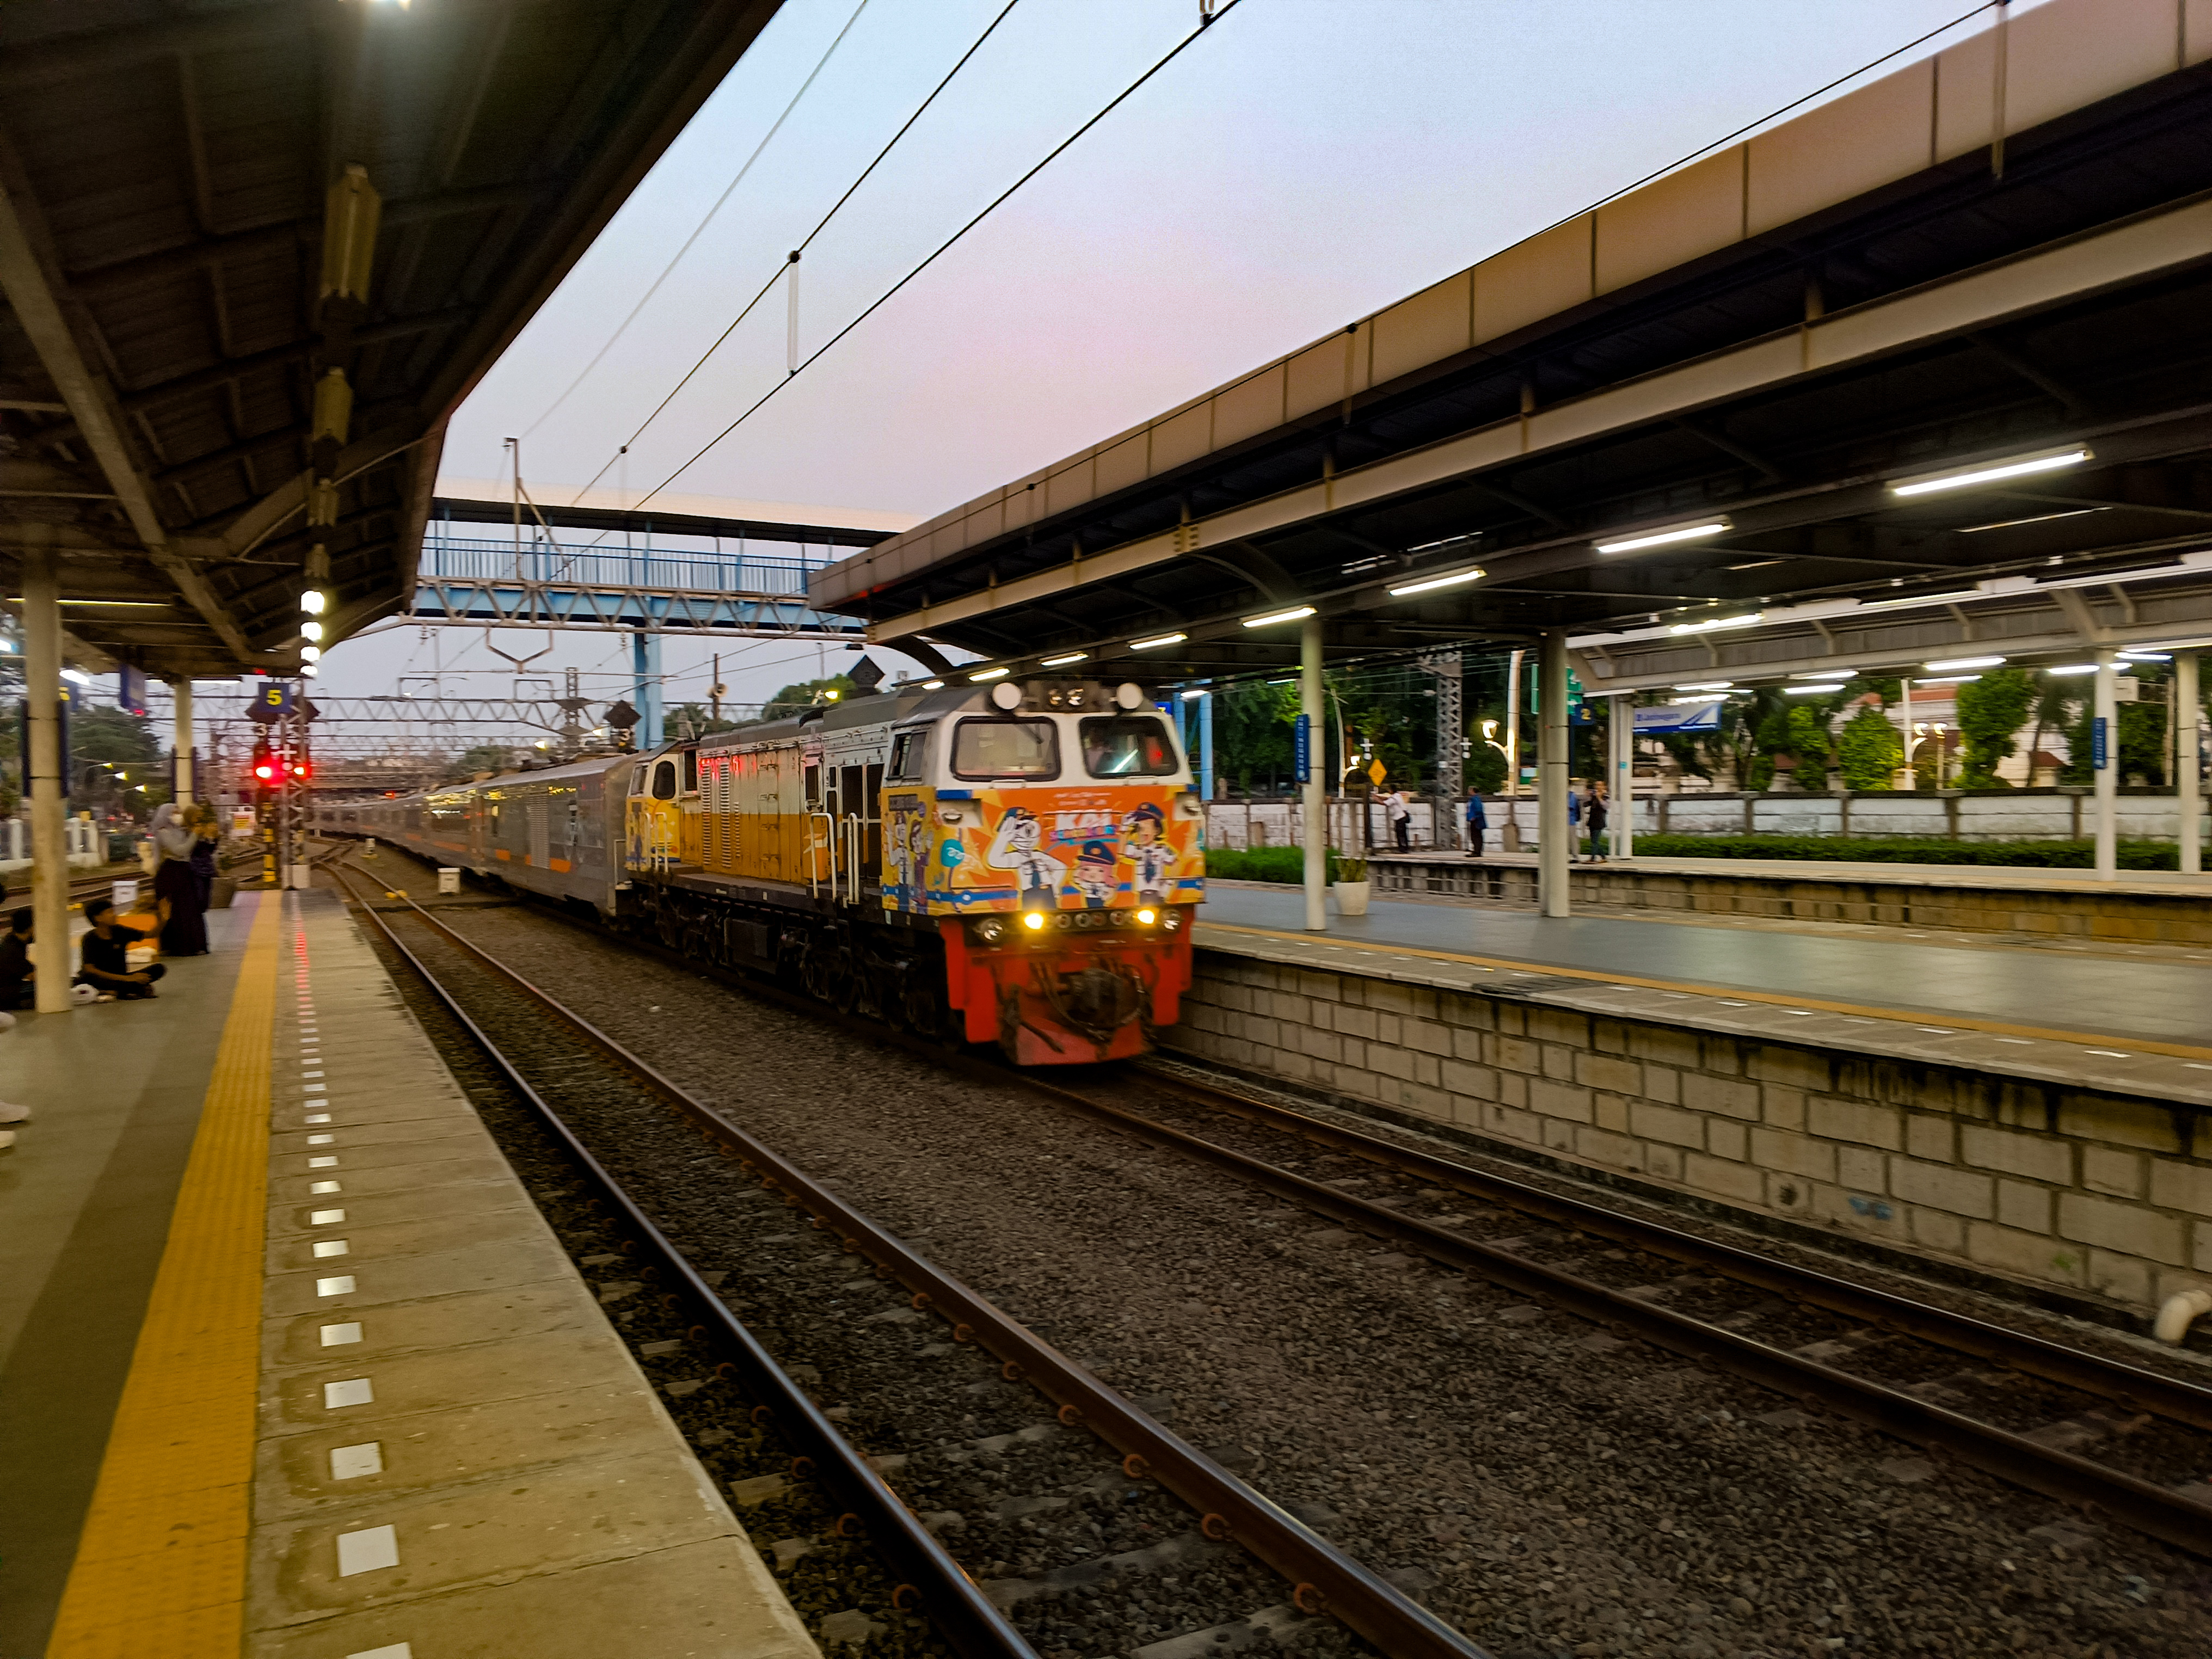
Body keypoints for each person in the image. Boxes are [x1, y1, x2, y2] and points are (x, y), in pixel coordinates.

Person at [76, 896, 165, 1000]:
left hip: (121, 978)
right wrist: (127, 978)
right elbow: (90, 969)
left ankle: (117, 991)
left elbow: (151, 934)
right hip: (102, 979)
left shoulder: (120, 931)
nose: (114, 915)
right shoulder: (90, 939)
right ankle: (130, 989)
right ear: (98, 918)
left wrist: (163, 918)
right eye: (109, 913)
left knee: (159, 969)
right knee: (85, 979)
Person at [151, 802, 208, 957]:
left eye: (179, 811)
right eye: (174, 812)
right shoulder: (163, 832)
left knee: (190, 909)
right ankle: (180, 947)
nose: (178, 815)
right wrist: (195, 834)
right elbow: (180, 850)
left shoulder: (180, 831)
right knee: (179, 910)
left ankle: (194, 946)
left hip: (183, 871)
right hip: (172, 873)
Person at [0, 907, 32, 1010]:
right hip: (7, 993)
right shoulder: (13, 949)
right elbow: (35, 976)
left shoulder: (11, 941)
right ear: (29, 928)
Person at [1586, 781, 1609, 863]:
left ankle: (1593, 858)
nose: (1597, 787)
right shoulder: (1593, 796)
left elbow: (1606, 807)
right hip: (1592, 821)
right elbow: (1587, 804)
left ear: (1603, 787)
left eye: (1600, 785)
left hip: (1599, 822)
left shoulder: (1605, 796)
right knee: (1594, 841)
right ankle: (1603, 856)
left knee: (1595, 841)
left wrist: (1599, 798)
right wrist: (1588, 796)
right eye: (1596, 785)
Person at [1386, 787, 1412, 853]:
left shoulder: (1394, 798)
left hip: (1399, 818)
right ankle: (1405, 847)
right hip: (1403, 816)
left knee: (1400, 834)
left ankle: (1403, 848)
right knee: (1403, 834)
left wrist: (1376, 799)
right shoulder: (1399, 796)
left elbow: (1386, 803)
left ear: (1391, 790)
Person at [1464, 789, 1487, 859]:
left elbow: (1479, 809)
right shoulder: (1472, 799)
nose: (1469, 791)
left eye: (1470, 790)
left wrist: (1475, 817)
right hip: (1474, 820)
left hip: (1476, 820)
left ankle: (1477, 852)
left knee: (1476, 836)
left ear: (1473, 791)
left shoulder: (1475, 799)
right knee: (1474, 836)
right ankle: (1476, 851)